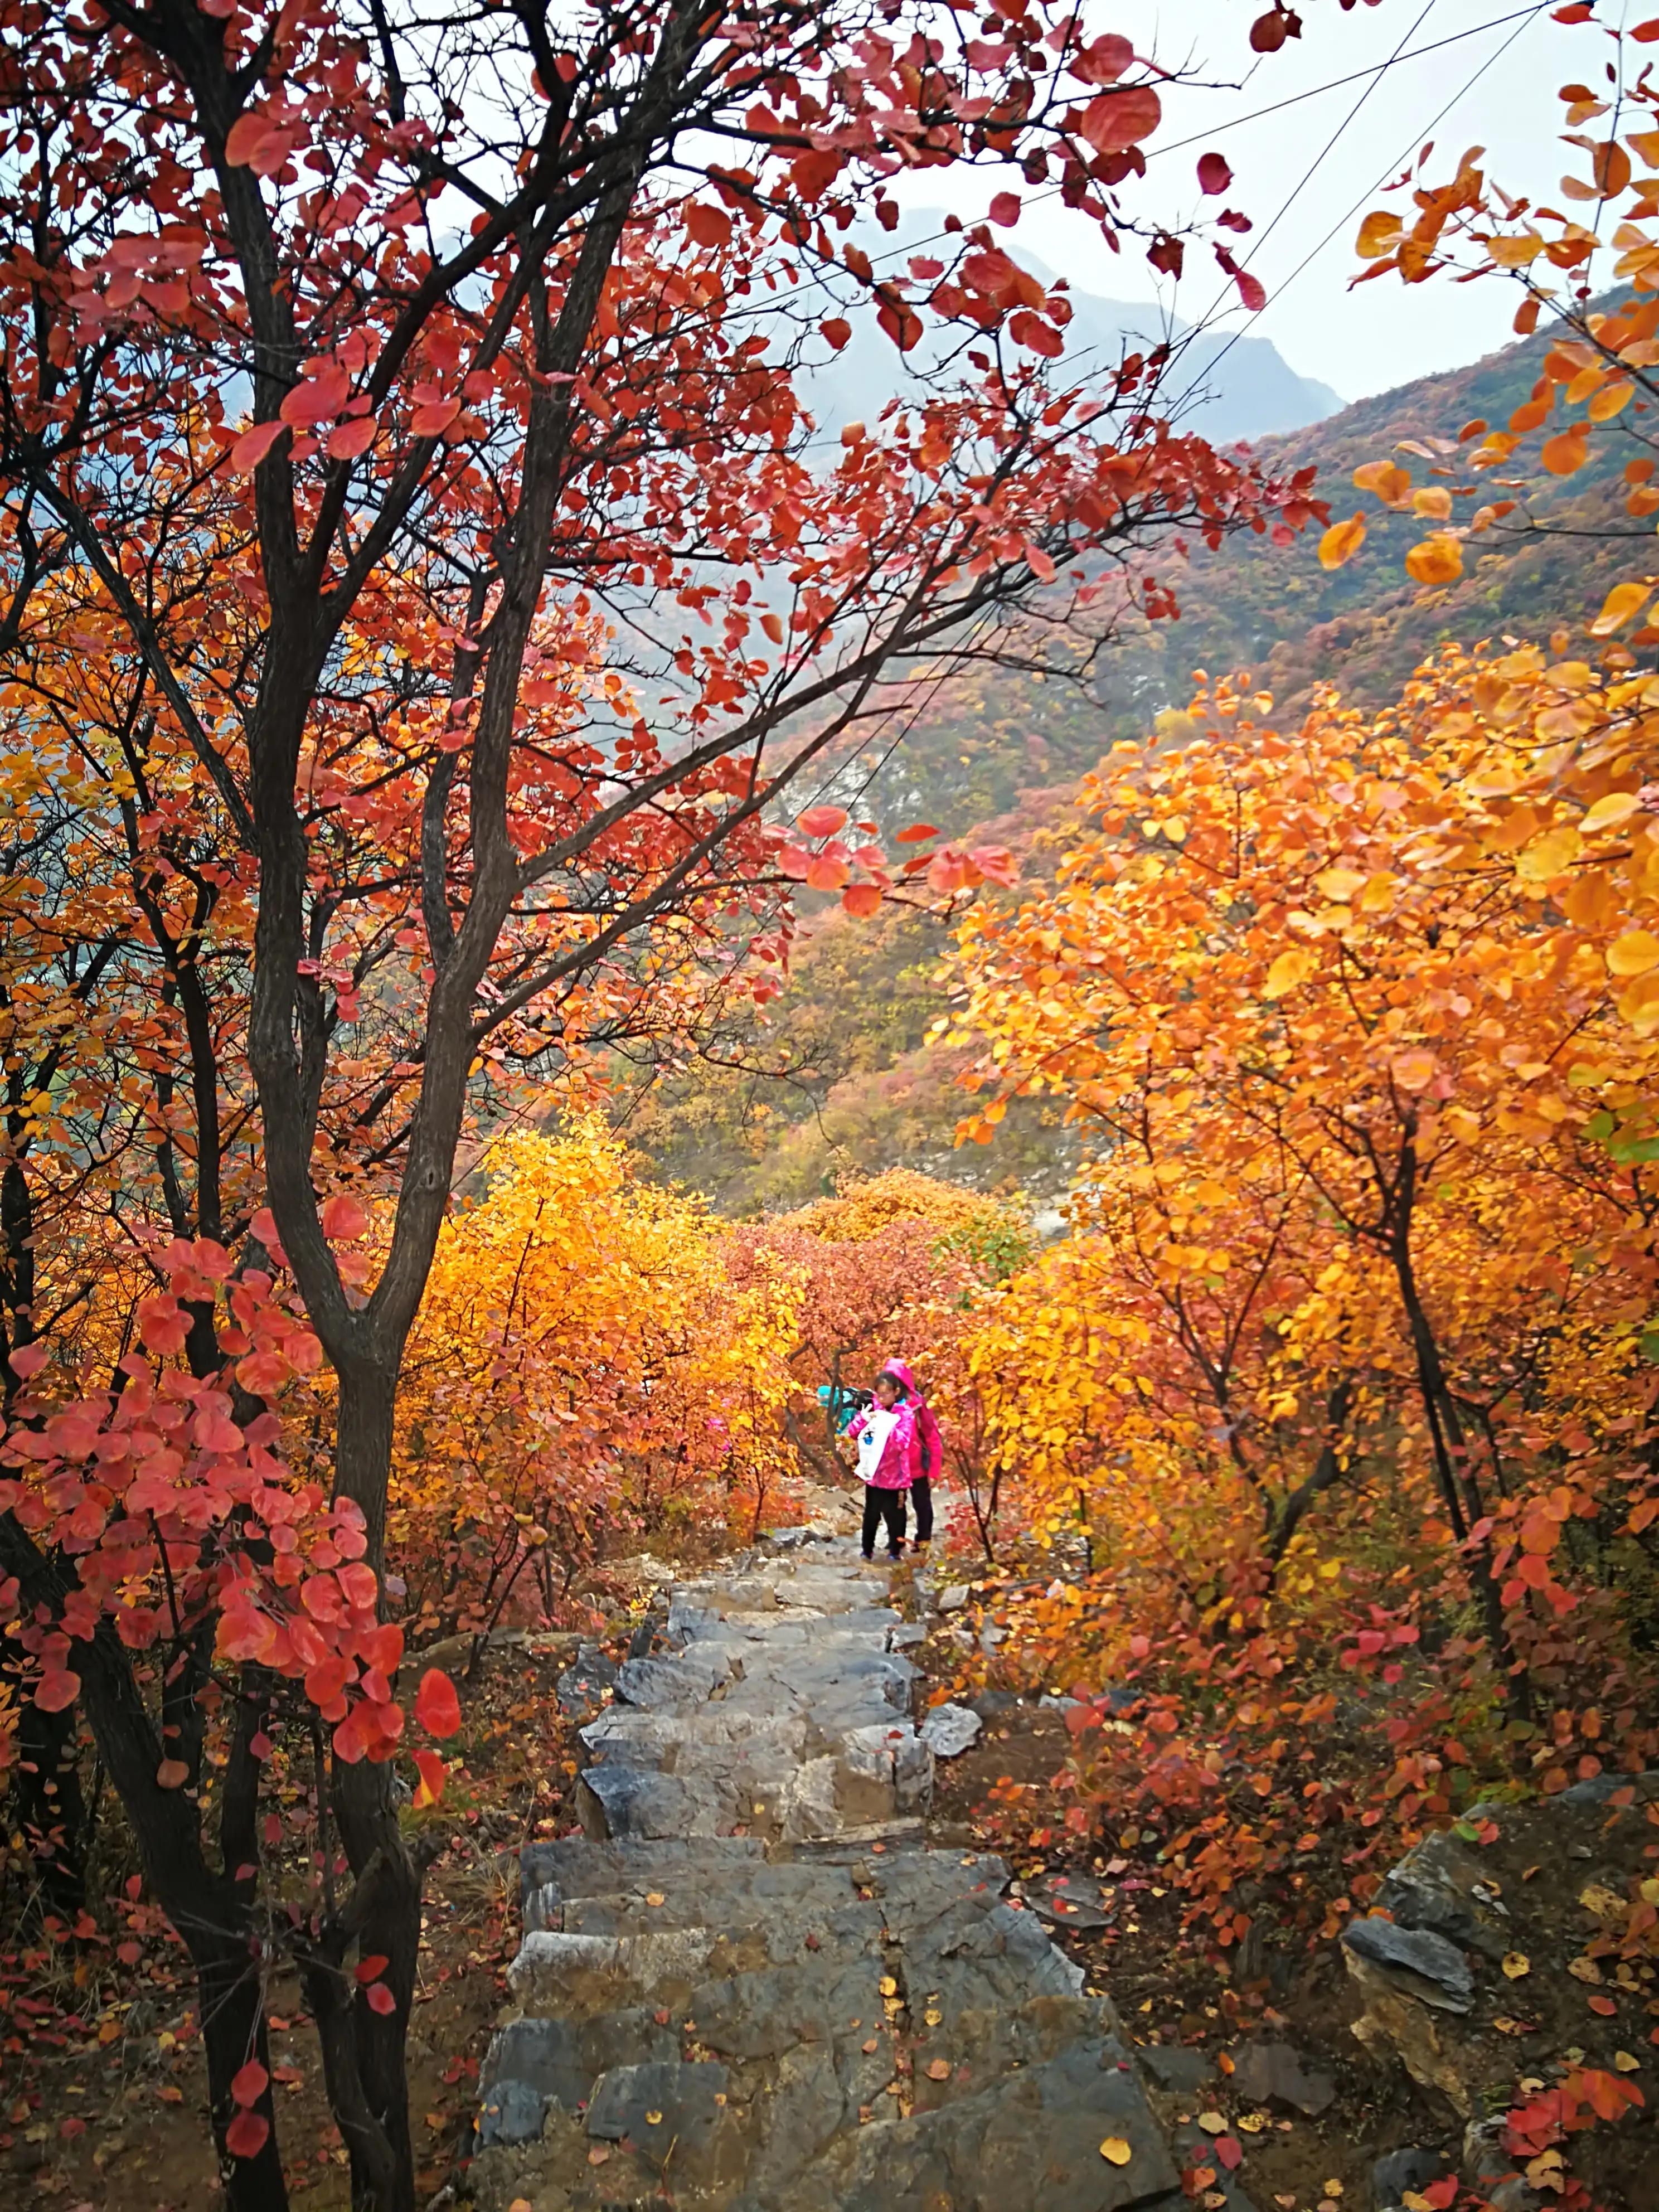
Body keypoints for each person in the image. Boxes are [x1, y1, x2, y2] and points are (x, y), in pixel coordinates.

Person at [848, 1370, 915, 1560]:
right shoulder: (873, 1408)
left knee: (896, 1518)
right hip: (874, 1475)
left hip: (896, 1479)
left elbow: (903, 1443)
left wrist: (887, 1426)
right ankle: (866, 1551)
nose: (882, 1398)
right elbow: (853, 1432)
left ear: (896, 1392)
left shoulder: (905, 1413)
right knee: (871, 1516)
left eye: (886, 1393)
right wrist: (865, 1418)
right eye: (879, 1393)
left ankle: (895, 1552)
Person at [880, 1356, 941, 1551]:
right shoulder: (878, 1404)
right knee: (892, 1508)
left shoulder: (917, 1404)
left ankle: (923, 1541)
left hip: (917, 1467)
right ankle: (896, 1542)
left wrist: (934, 1470)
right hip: (891, 1468)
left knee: (922, 1505)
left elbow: (932, 1434)